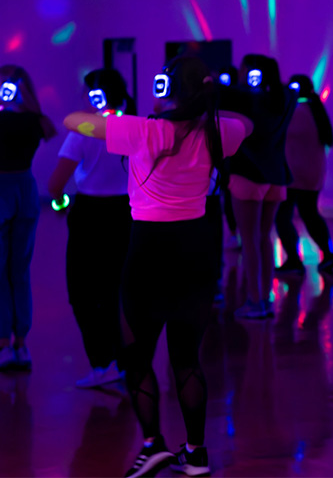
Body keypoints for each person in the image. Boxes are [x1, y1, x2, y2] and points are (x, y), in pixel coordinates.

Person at [64, 57, 251, 477]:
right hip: (197, 250)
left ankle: (153, 446)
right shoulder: (219, 131)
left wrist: (118, 115)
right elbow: (247, 122)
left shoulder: (141, 129)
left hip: (148, 249)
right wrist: (208, 101)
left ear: (168, 89)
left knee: (137, 355)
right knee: (187, 359)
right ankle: (196, 453)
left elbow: (73, 119)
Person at [47, 68, 135, 388]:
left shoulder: (83, 131)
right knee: (118, 290)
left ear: (95, 95)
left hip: (89, 215)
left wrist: (61, 203)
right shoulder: (132, 127)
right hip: (127, 213)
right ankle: (126, 362)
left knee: (83, 292)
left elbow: (56, 184)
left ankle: (102, 364)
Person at [227, 54, 296, 319]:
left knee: (249, 240)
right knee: (264, 238)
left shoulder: (244, 100)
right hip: (276, 178)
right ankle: (264, 299)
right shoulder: (286, 99)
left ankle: (254, 301)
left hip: (247, 176)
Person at [0, 64, 57, 371]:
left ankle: (10, 344)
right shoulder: (32, 120)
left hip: (14, 189)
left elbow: (46, 130)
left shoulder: (28, 119)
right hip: (24, 190)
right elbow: (46, 131)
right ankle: (16, 343)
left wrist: (23, 106)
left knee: (9, 270)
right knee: (16, 270)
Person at [275, 75, 333, 273]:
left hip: (294, 175)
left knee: (283, 217)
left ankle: (294, 260)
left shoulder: (297, 112)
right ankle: (328, 255)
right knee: (310, 215)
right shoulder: (315, 111)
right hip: (311, 175)